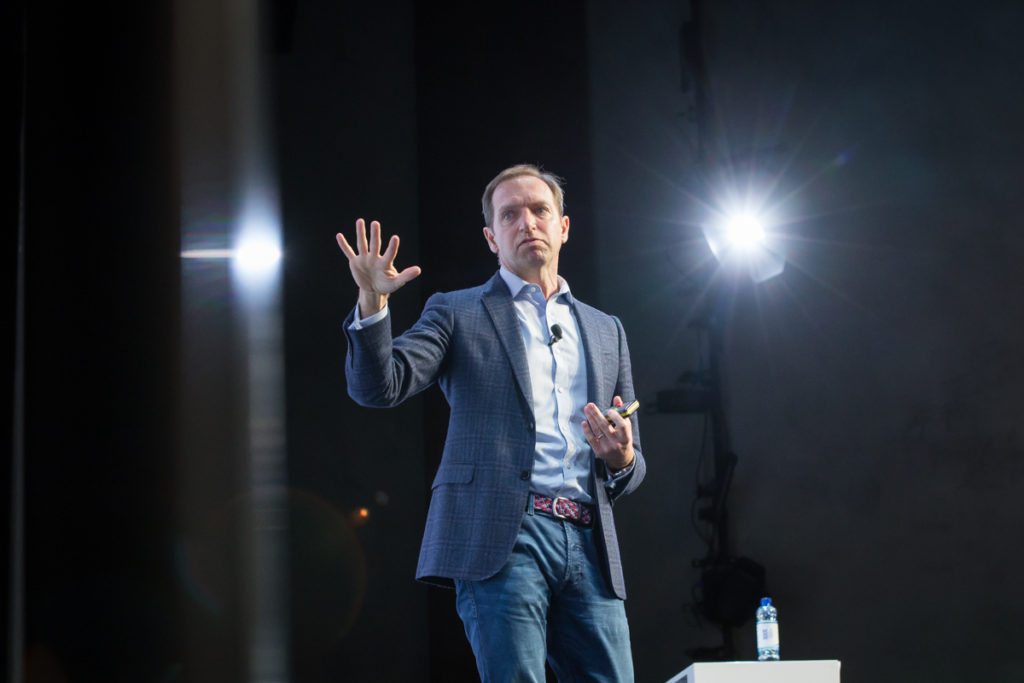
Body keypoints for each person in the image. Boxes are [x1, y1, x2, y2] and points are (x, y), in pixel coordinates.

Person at [336, 164, 645, 682]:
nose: (528, 223)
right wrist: (373, 301)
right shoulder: (457, 312)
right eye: (510, 215)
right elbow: (379, 386)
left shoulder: (605, 329)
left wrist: (622, 457)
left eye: (540, 210)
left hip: (589, 541)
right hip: (504, 537)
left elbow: (632, 463)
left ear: (563, 226)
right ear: (491, 236)